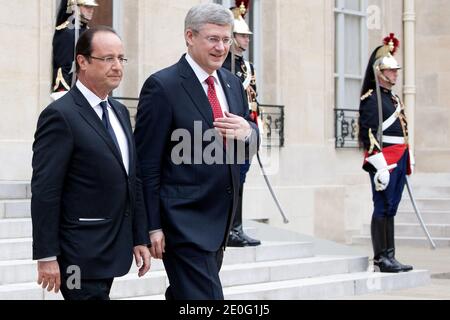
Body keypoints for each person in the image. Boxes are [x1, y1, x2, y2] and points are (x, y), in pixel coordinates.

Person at [134, 3, 259, 300]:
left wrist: (249, 134)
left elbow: (243, 151)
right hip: (181, 223)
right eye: (213, 39)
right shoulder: (162, 87)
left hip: (219, 222)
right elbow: (145, 166)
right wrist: (150, 226)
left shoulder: (232, 84)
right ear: (190, 37)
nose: (221, 47)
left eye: (226, 40)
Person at [31, 26, 151, 300]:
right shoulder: (60, 116)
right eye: (108, 58)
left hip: (112, 248)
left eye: (121, 58)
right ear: (82, 62)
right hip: (77, 254)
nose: (117, 66)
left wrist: (138, 236)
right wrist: (47, 255)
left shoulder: (119, 111)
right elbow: (46, 190)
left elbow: (133, 179)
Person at [359, 33, 413, 273]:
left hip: (399, 156)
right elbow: (368, 133)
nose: (395, 74)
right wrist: (379, 164)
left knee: (391, 207)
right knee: (382, 206)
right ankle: (381, 257)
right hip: (385, 159)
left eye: (395, 70)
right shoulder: (372, 99)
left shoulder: (393, 98)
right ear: (380, 72)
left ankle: (390, 254)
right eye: (391, 70)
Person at [222, 1, 261, 247]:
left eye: (247, 36)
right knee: (230, 180)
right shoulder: (224, 64)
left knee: (241, 180)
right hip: (229, 130)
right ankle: (228, 228)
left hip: (246, 129)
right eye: (242, 36)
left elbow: (254, 97)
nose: (246, 40)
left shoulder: (247, 66)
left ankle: (237, 227)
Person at [51, 0, 99, 100]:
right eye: (87, 7)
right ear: (75, 7)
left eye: (92, 7)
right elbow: (63, 66)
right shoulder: (67, 33)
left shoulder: (88, 32)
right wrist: (63, 93)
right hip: (72, 91)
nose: (91, 10)